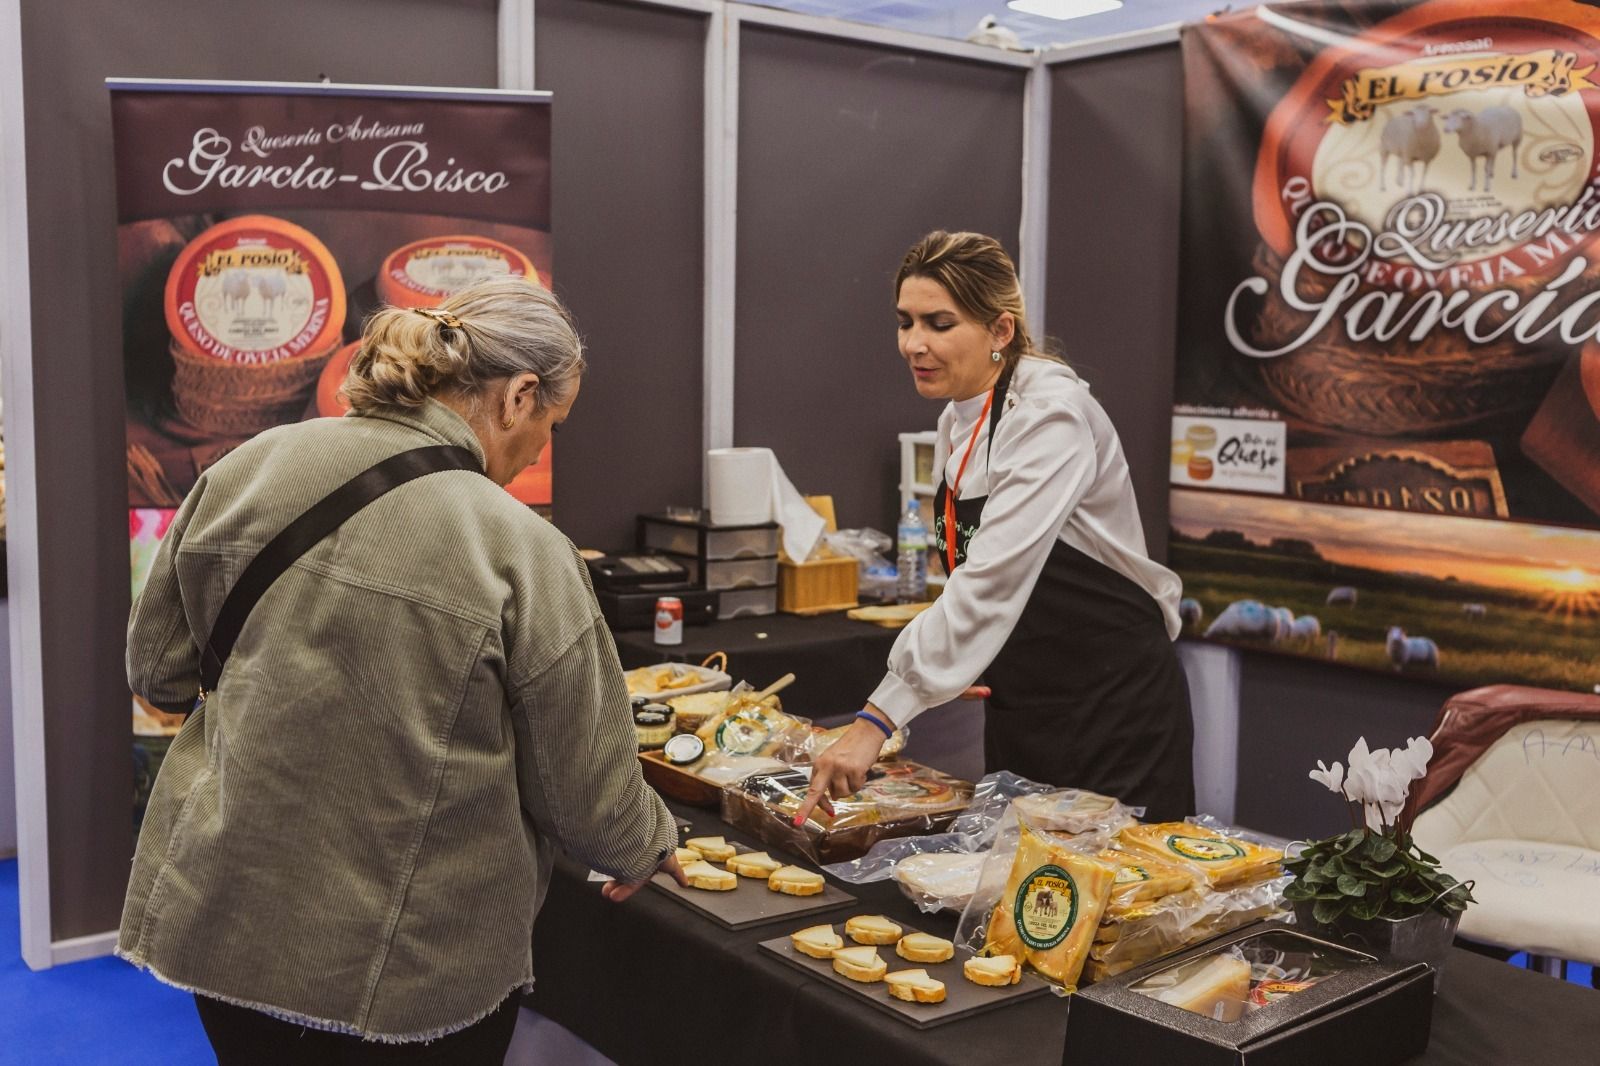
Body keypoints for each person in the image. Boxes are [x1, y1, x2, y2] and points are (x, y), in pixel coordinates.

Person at [120, 275, 685, 1064]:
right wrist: (643, 843)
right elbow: (582, 790)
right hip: (408, 965)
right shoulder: (521, 547)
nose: (537, 453)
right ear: (521, 395)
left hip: (230, 919)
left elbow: (159, 674)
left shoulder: (247, 466)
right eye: (552, 424)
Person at [799, 231, 1194, 824]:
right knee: (1018, 902)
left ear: (1001, 332)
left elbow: (990, 578)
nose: (914, 344)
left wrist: (878, 718)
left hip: (1113, 709)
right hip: (1026, 703)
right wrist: (971, 659)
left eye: (939, 323)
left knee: (1117, 904)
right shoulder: (958, 419)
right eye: (905, 322)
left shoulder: (1049, 419)